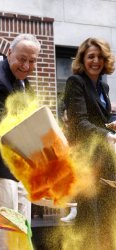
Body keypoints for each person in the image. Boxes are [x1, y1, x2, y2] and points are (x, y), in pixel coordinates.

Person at [0, 33, 41, 249]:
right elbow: (0, 129)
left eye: (32, 61)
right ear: (9, 52)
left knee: (22, 226)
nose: (26, 65)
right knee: (4, 230)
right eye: (22, 59)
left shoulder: (22, 81)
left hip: (19, 166)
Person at [63, 37, 116, 249]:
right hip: (86, 161)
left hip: (105, 160)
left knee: (107, 215)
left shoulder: (102, 85)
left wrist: (111, 126)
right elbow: (79, 123)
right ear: (82, 59)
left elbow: (99, 119)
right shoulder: (75, 82)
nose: (96, 61)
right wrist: (107, 135)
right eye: (90, 56)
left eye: (100, 57)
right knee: (89, 217)